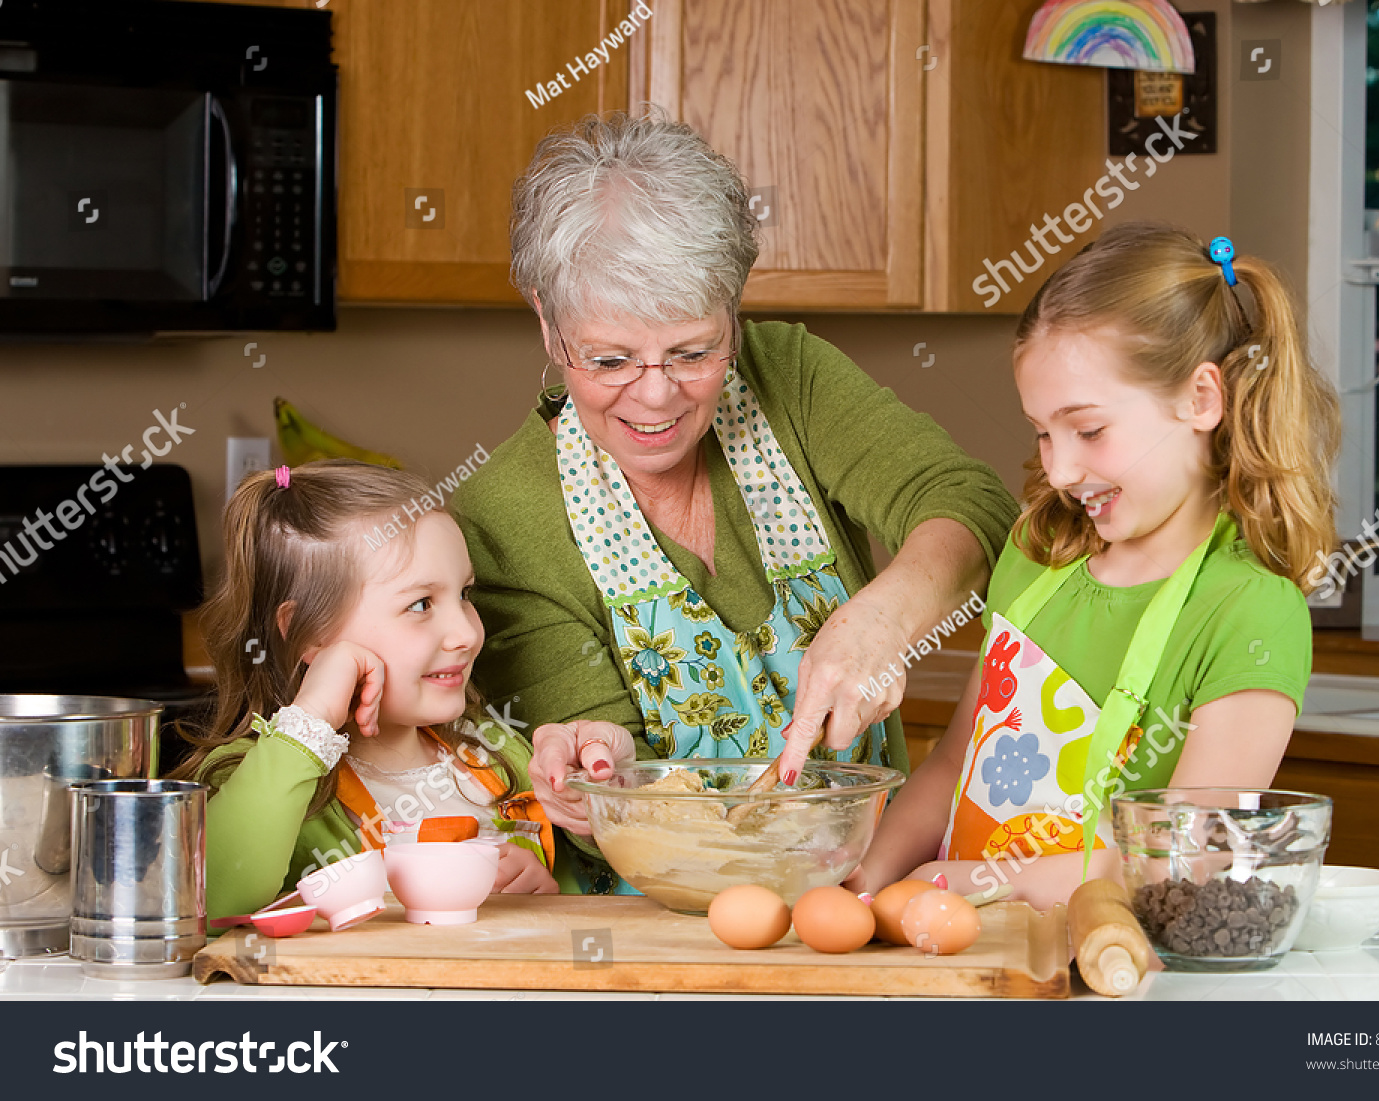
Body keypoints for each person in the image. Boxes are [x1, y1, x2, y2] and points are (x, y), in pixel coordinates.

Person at [452, 110, 1019, 894]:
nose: (656, 395)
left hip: (866, 894)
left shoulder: (789, 376)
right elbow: (600, 743)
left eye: (693, 351)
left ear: (734, 310)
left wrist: (886, 619)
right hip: (652, 929)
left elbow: (971, 503)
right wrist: (592, 758)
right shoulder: (503, 516)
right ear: (551, 329)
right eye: (610, 358)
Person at [851, 223, 1339, 911]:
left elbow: (1180, 860)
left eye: (1088, 430)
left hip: (1097, 969)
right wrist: (867, 878)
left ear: (1201, 400)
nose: (1059, 468)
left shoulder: (1249, 609)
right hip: (955, 949)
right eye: (1043, 432)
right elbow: (953, 764)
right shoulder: (1037, 555)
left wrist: (964, 886)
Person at [174, 460, 557, 926]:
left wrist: (545, 896)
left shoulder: (498, 755)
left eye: (465, 594)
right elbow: (209, 901)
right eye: (420, 604)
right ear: (308, 634)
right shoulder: (246, 777)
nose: (466, 633)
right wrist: (312, 717)